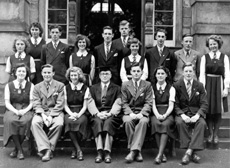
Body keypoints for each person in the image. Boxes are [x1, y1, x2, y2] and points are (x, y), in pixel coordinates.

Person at [174, 62, 208, 165]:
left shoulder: (199, 85)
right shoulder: (177, 85)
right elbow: (175, 104)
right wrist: (182, 115)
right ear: (182, 73)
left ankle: (188, 152)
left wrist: (197, 115)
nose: (188, 73)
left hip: (195, 112)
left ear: (193, 73)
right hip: (183, 113)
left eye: (190, 71)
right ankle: (193, 153)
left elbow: (204, 104)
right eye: (186, 71)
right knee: (180, 123)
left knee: (202, 123)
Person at [88, 66, 122, 163]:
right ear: (99, 75)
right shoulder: (93, 88)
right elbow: (90, 102)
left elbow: (118, 101)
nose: (105, 76)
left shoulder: (117, 88)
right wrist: (97, 113)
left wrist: (110, 113)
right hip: (97, 113)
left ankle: (107, 152)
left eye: (107, 73)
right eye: (103, 74)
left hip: (111, 113)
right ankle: (99, 151)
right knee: (97, 123)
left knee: (108, 123)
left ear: (111, 75)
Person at [199, 35, 230, 144]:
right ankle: (210, 134)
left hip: (219, 83)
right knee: (209, 110)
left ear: (219, 44)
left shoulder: (224, 57)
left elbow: (227, 74)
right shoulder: (205, 57)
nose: (213, 46)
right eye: (211, 44)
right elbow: (202, 74)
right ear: (208, 45)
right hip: (208, 84)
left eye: (215, 44)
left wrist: (226, 88)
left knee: (218, 110)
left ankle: (216, 134)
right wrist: (203, 88)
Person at [31, 64, 65, 162]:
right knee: (35, 123)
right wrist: (43, 115)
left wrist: (50, 116)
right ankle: (48, 150)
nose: (47, 75)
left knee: (59, 124)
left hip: (55, 112)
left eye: (49, 72)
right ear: (41, 74)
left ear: (53, 73)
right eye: (45, 73)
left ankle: (45, 149)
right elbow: (36, 103)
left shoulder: (60, 85)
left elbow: (60, 103)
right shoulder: (37, 87)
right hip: (41, 112)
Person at [121, 62, 153, 163]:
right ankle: (137, 151)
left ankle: (132, 151)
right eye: (134, 71)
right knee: (127, 121)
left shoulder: (147, 85)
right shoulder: (125, 85)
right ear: (130, 72)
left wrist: (142, 113)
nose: (136, 73)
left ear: (142, 73)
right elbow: (124, 102)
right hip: (129, 112)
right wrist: (130, 113)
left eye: (138, 71)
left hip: (142, 112)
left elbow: (149, 102)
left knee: (143, 122)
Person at [3, 63, 34, 160]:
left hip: (26, 108)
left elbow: (32, 102)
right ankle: (20, 150)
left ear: (26, 73)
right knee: (11, 121)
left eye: (23, 71)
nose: (21, 73)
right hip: (13, 108)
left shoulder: (30, 85)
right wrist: (16, 111)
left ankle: (16, 149)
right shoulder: (9, 85)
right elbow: (7, 102)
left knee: (25, 122)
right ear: (15, 73)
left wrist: (24, 111)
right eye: (19, 71)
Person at [64, 67, 90, 161]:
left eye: (75, 75)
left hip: (81, 111)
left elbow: (85, 106)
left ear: (79, 76)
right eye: (72, 75)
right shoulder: (65, 88)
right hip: (69, 111)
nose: (74, 77)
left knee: (81, 121)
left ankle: (74, 149)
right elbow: (65, 105)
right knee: (69, 121)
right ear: (69, 76)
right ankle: (78, 150)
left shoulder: (85, 88)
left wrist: (78, 115)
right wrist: (71, 114)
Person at [151, 66, 176, 164]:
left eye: (162, 73)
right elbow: (152, 104)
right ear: (155, 75)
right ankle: (162, 154)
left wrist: (165, 115)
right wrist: (157, 114)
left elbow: (171, 105)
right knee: (155, 123)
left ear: (166, 75)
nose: (160, 76)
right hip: (156, 111)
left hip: (167, 112)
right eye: (158, 73)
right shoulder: (152, 88)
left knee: (165, 124)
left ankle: (159, 154)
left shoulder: (171, 88)